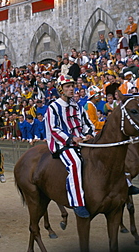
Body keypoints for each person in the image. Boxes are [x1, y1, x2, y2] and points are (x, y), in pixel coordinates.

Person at [45, 75, 95, 218]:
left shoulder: (77, 106)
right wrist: (72, 139)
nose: (72, 89)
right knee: (75, 163)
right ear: (61, 89)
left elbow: (87, 123)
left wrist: (89, 133)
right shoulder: (53, 107)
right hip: (62, 145)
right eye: (67, 86)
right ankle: (77, 202)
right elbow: (54, 129)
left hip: (82, 141)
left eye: (72, 86)